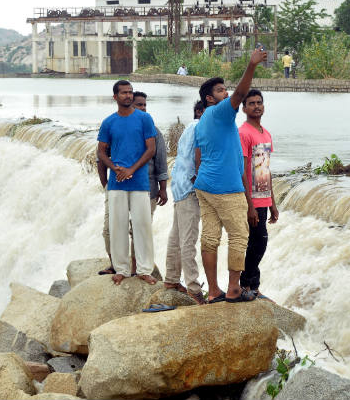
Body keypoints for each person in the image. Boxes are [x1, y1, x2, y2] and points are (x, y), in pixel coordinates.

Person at [194, 47, 267, 303]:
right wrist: (252, 64)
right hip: (226, 187)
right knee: (239, 235)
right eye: (220, 91)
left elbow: (198, 156)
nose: (225, 93)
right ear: (210, 99)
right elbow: (240, 93)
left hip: (205, 185)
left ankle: (213, 290)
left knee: (211, 237)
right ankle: (234, 288)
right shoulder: (221, 112)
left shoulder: (203, 121)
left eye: (224, 89)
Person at [98, 91, 168, 277]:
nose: (143, 108)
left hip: (144, 185)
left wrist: (163, 188)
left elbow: (158, 157)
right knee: (114, 228)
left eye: (145, 105)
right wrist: (108, 179)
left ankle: (142, 270)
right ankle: (119, 267)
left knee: (141, 227)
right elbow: (101, 154)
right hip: (116, 184)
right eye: (139, 105)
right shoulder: (110, 123)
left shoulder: (149, 126)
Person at [165, 101, 207, 305]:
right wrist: (198, 181)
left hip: (179, 186)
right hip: (190, 189)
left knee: (177, 236)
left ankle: (171, 279)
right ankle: (193, 287)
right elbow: (195, 160)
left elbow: (183, 157)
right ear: (200, 111)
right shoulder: (200, 127)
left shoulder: (189, 128)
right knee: (188, 238)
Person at [239, 89, 279, 298]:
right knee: (257, 242)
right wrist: (249, 205)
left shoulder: (266, 134)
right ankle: (246, 285)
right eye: (252, 103)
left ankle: (253, 286)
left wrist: (272, 202)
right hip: (250, 199)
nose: (256, 106)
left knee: (259, 242)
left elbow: (266, 169)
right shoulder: (243, 133)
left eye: (259, 102)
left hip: (263, 198)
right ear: (244, 108)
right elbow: (242, 170)